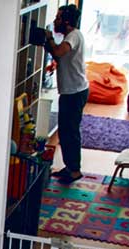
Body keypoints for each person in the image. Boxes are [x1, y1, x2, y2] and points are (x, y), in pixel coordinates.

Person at [45, 4, 90, 184]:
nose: (55, 21)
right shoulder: (70, 36)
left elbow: (58, 51)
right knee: (65, 132)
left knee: (70, 132)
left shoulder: (74, 36)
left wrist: (49, 38)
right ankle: (70, 167)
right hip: (71, 91)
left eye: (58, 18)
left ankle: (75, 170)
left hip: (75, 92)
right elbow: (59, 56)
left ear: (66, 22)